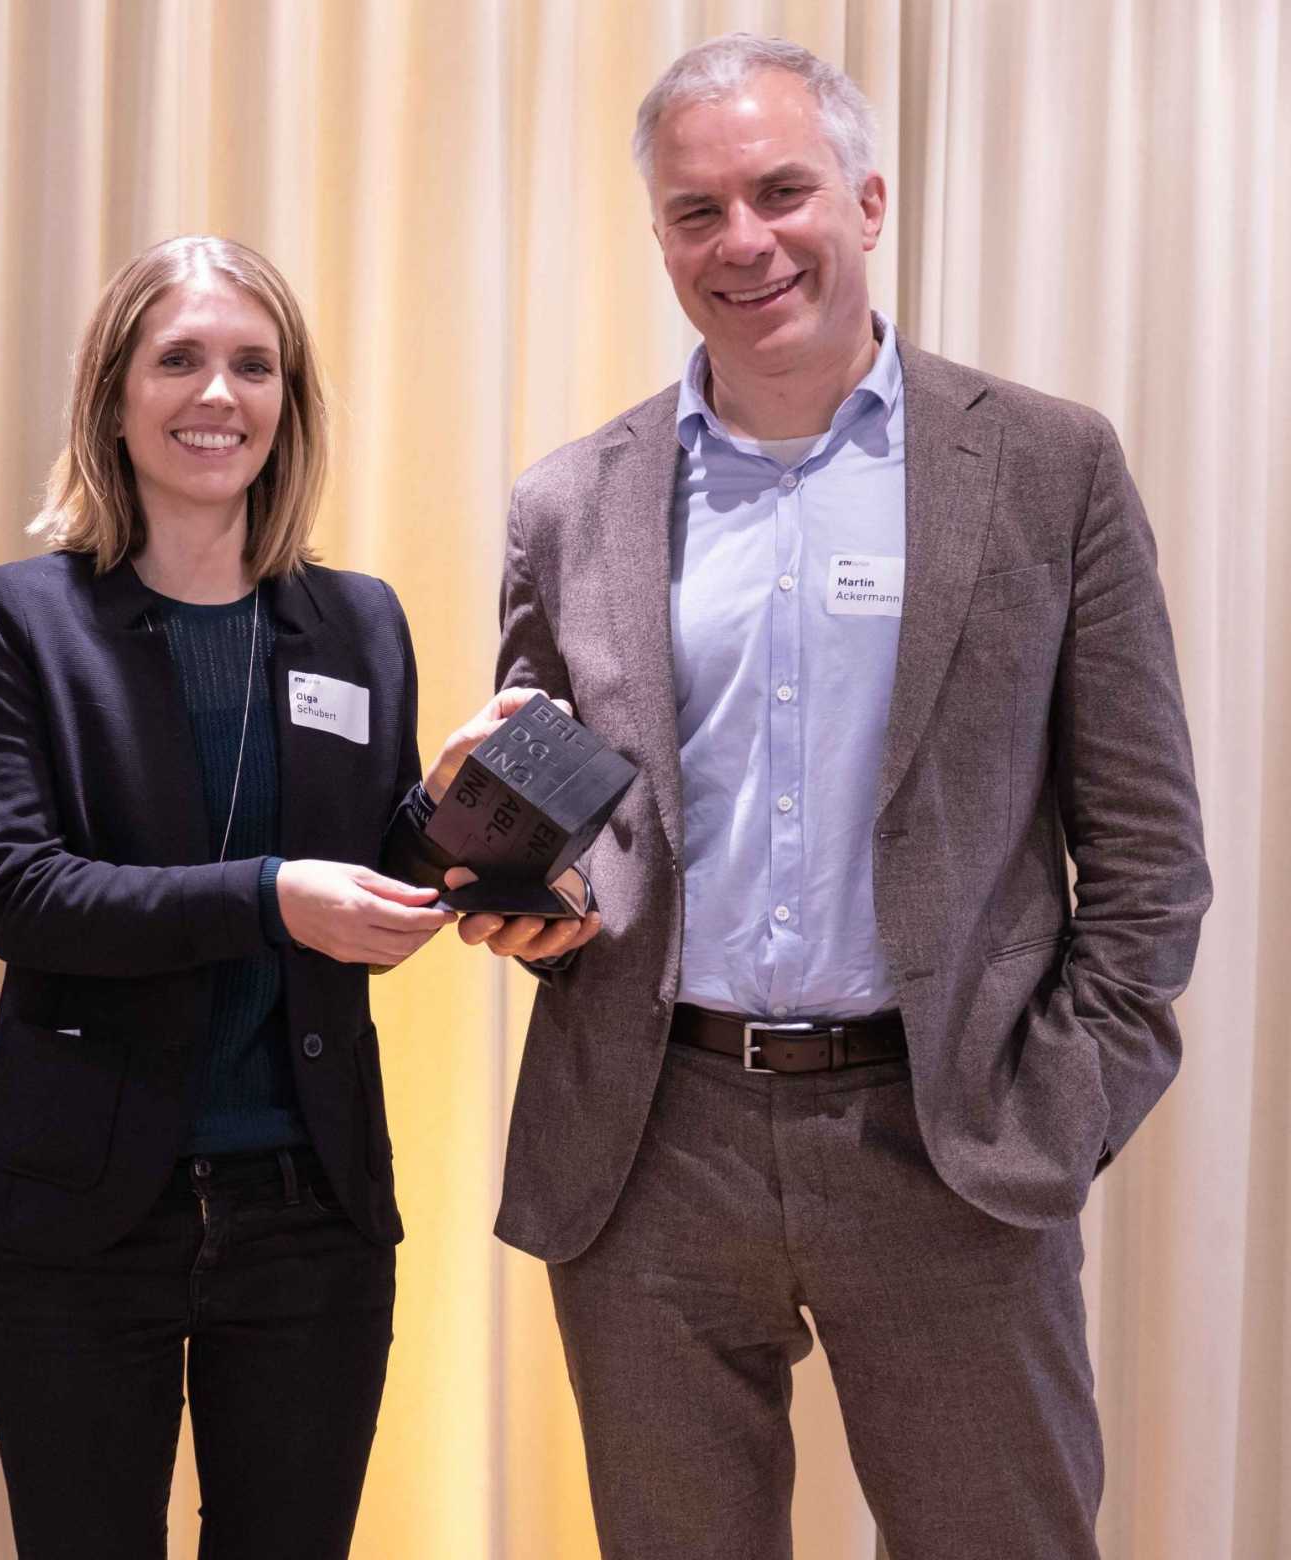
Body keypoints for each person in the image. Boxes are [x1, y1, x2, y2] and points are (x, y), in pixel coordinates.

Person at [459, 35, 1210, 1559]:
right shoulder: (568, 502)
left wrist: (1050, 1116)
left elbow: (1148, 856)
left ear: (867, 202)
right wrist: (525, 896)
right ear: (661, 237)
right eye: (696, 211)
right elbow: (565, 804)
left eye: (781, 190)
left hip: (949, 1140)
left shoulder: (1048, 467)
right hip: (652, 1143)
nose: (744, 241)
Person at [0, 235, 454, 1560]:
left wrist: (470, 818)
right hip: (85, 1205)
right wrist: (274, 897)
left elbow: (376, 876)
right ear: (115, 391)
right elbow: (32, 901)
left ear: (290, 401)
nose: (218, 394)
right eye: (180, 360)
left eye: (253, 365)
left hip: (312, 1207)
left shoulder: (359, 621)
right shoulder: (23, 618)